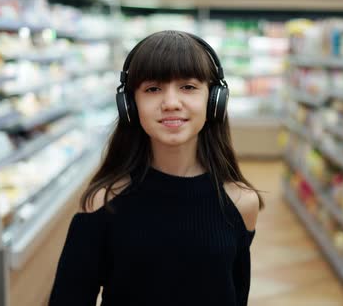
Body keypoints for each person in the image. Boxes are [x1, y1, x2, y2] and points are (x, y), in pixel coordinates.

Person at [49, 30, 264, 306]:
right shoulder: (103, 203)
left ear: (214, 100)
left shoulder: (241, 203)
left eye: (188, 87)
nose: (171, 103)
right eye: (153, 89)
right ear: (129, 105)